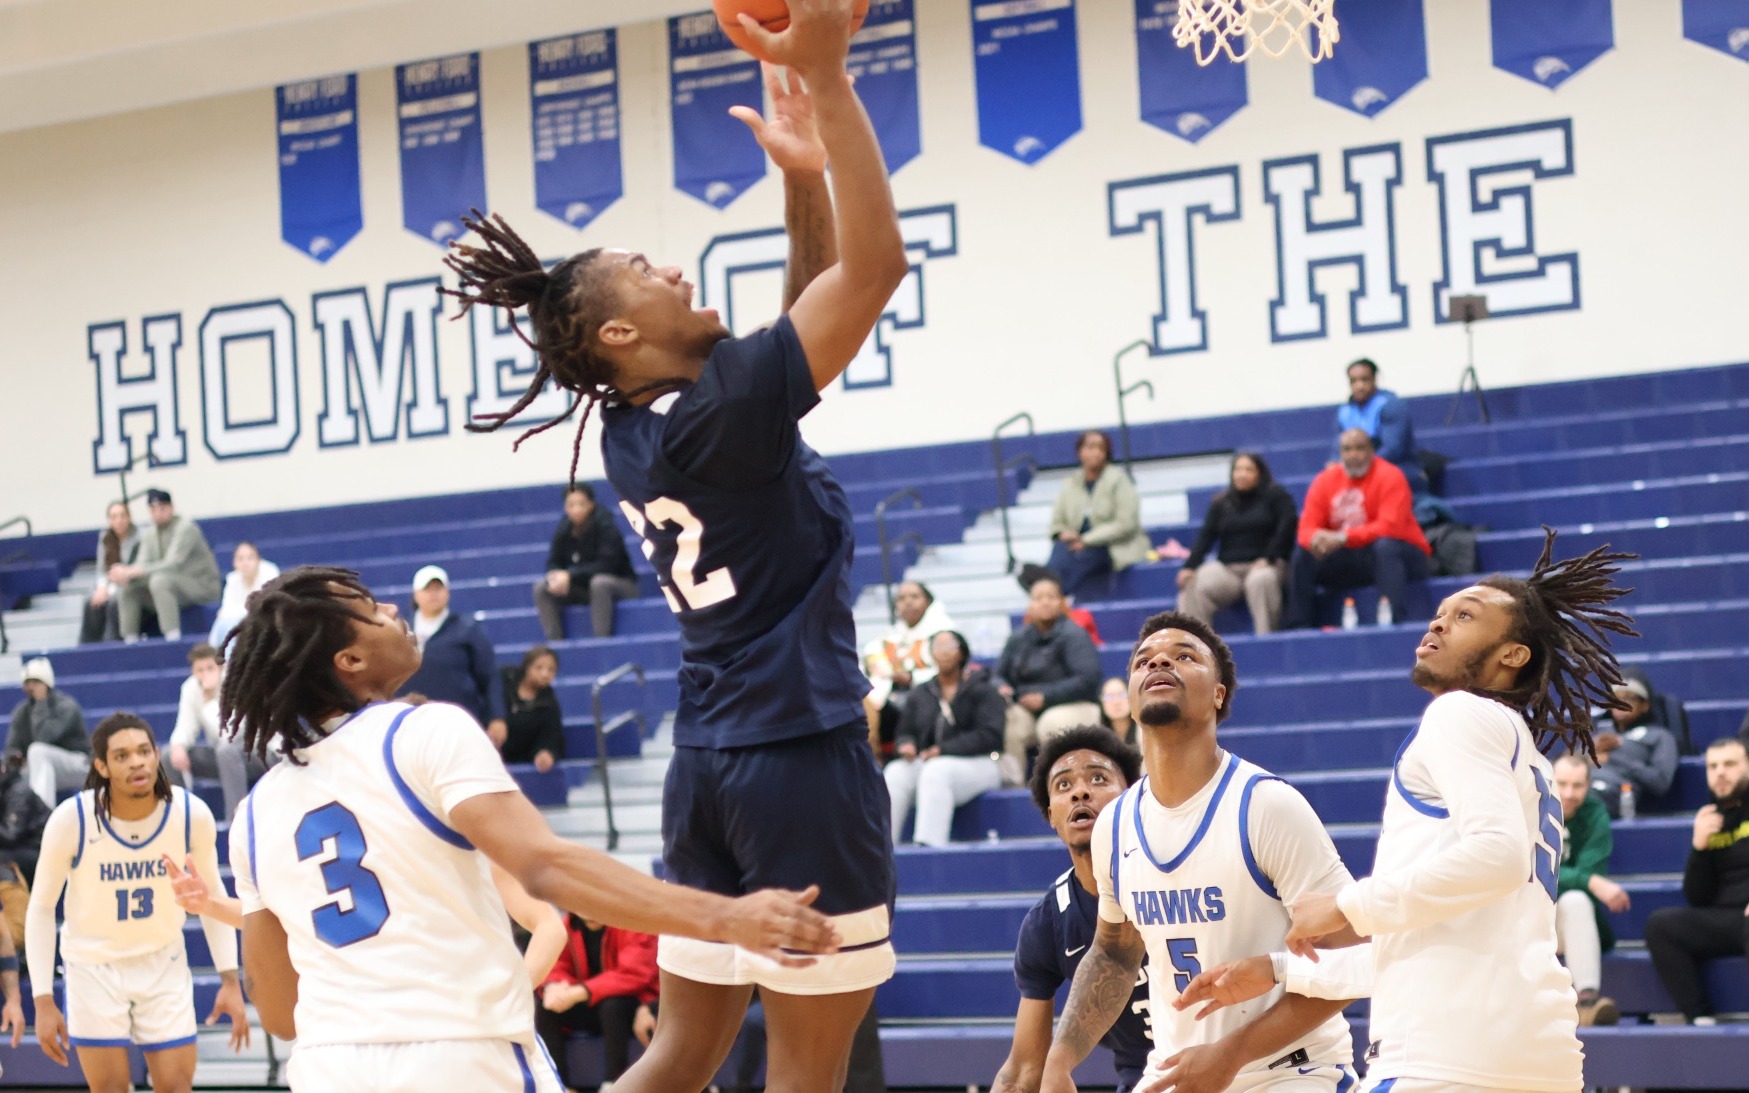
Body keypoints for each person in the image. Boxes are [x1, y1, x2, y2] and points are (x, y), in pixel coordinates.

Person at [442, 8, 907, 1088]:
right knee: (807, 1075)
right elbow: (873, 270)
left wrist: (802, 181)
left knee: (679, 1056)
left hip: (706, 764)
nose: (677, 272)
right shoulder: (721, 413)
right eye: (647, 269)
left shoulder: (637, 426)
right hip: (799, 756)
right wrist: (829, 81)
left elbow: (799, 330)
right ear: (617, 332)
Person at [216, 567, 839, 1092]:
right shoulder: (421, 731)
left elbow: (280, 1012)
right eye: (371, 609)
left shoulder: (253, 815)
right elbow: (546, 868)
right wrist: (727, 917)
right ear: (349, 660)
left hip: (327, 1070)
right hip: (461, 1058)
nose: (392, 609)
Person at [1282, 531, 1638, 1091]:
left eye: (1465, 616)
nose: (1439, 623)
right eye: (1441, 613)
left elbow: (1497, 856)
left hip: (1445, 1055)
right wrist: (1278, 971)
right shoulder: (1529, 757)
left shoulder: (1460, 715)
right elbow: (1442, 935)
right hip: (1534, 1048)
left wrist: (1344, 904)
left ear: (1512, 655)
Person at [1039, 612, 1358, 1093]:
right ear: (1130, 699)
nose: (1159, 662)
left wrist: (1232, 1054)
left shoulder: (1265, 805)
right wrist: (1060, 1059)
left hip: (1290, 1071)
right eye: (1143, 660)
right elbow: (1114, 953)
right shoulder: (1115, 824)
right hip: (1177, 1071)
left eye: (1184, 656)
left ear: (1218, 694)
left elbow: (1351, 960)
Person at [25, 713, 248, 1092]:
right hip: (93, 967)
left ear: (157, 755)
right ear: (102, 766)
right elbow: (42, 908)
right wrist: (43, 999)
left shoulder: (190, 814)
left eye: (144, 751)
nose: (137, 762)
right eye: (122, 756)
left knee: (176, 1086)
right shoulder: (72, 820)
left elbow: (213, 897)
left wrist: (230, 978)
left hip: (163, 961)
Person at [993, 725, 1148, 1093]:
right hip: (1147, 1077)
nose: (1080, 791)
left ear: (1132, 796)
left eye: (1098, 778)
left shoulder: (1179, 869)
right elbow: (1023, 1071)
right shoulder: (1047, 923)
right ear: (1052, 816)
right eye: (1063, 785)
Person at [1643, 737, 1749, 1026]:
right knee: (1661, 926)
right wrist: (1699, 847)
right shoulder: (1710, 819)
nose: (1720, 772)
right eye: (1713, 766)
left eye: (1729, 764)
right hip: (1727, 919)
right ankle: (1701, 1019)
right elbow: (1698, 898)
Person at [1284, 429, 1431, 630]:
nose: (1353, 455)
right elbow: (1305, 530)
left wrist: (1343, 537)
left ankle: (1393, 620)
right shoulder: (1324, 480)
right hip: (1352, 557)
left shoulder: (1390, 475)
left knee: (1385, 547)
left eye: (1359, 448)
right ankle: (1299, 627)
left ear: (1372, 450)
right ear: (1340, 453)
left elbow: (1390, 526)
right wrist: (1316, 539)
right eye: (1347, 449)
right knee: (1304, 553)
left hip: (1402, 556)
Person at [885, 631, 1003, 847]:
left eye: (950, 646)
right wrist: (905, 744)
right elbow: (904, 731)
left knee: (936, 771)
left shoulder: (983, 689)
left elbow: (991, 736)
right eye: (938, 647)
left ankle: (928, 848)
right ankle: (883, 849)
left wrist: (943, 749)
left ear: (962, 652)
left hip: (982, 763)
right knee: (896, 772)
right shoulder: (921, 692)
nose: (944, 652)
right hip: (930, 761)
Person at [995, 574, 1102, 787]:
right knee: (1008, 721)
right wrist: (1001, 687)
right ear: (1030, 604)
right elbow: (997, 675)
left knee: (1051, 723)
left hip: (1074, 704)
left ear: (1061, 602)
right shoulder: (1018, 638)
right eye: (1038, 598)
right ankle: (1013, 788)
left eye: (1051, 597)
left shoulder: (1075, 635)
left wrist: (1045, 697)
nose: (1045, 602)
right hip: (1027, 706)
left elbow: (1088, 679)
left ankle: (1060, 787)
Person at [1176, 451, 1297, 635]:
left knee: (1260, 581)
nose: (1242, 474)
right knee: (1193, 584)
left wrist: (1268, 557)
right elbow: (1206, 537)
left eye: (1249, 470)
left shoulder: (1276, 496)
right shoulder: (1221, 502)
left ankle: (1267, 640)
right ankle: (1196, 644)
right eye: (1238, 469)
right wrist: (1189, 566)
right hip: (1229, 569)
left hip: (1265, 564)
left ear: (1260, 474)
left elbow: (1286, 528)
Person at [536, 914, 658, 1090]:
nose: (588, 912)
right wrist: (553, 987)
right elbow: (557, 965)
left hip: (634, 1004)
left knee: (613, 1006)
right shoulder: (568, 926)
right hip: (591, 1004)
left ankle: (613, 1084)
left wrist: (582, 991)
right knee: (545, 1007)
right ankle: (558, 1085)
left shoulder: (633, 922)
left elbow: (634, 974)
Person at [1550, 753, 1624, 1026]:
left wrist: (1586, 881)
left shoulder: (1595, 813)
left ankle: (1588, 1003)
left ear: (1589, 785)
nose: (1569, 793)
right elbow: (1531, 870)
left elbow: (1585, 874)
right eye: (1562, 784)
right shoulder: (1532, 809)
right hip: (1530, 916)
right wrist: (1590, 881)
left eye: (1577, 785)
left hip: (1568, 920)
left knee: (1576, 900)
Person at [399, 565, 509, 745]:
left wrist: (497, 717)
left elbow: (489, 675)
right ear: (416, 595)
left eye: (438, 588)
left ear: (448, 592)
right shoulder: (399, 629)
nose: (433, 594)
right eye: (427, 589)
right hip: (408, 724)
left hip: (458, 724)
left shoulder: (467, 629)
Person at [1046, 431, 1151, 599]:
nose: (1095, 452)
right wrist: (1062, 533)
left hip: (1110, 546)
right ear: (1079, 452)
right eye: (1090, 447)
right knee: (1061, 548)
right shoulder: (1070, 483)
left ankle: (1048, 589)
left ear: (1107, 453)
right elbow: (1056, 523)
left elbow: (1126, 524)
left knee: (1081, 558)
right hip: (1076, 544)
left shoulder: (1120, 480)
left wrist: (1086, 540)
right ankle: (1048, 587)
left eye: (1101, 448)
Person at [167, 643, 262, 822]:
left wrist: (210, 698)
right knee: (168, 756)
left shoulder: (237, 682)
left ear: (221, 667)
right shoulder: (190, 688)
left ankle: (237, 820)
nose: (205, 675)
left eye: (210, 668)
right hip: (224, 756)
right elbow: (185, 726)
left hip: (257, 753)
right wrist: (178, 746)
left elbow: (230, 734)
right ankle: (181, 820)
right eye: (199, 670)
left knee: (226, 751)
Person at [112, 489, 222, 643]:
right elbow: (142, 563)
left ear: (171, 508)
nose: (158, 513)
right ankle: (130, 641)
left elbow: (173, 563)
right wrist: (126, 574)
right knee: (129, 587)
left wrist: (134, 571)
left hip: (200, 586)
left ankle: (172, 638)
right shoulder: (149, 533)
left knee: (160, 581)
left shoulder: (186, 529)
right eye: (153, 510)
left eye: (162, 508)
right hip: (170, 588)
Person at [534, 484, 640, 640]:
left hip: (621, 585)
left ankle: (601, 640)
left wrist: (570, 575)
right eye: (571, 505)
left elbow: (608, 565)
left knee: (599, 583)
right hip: (584, 588)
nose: (576, 509)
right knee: (542, 588)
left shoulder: (606, 525)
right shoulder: (564, 528)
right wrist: (555, 576)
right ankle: (555, 643)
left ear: (591, 504)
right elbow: (554, 561)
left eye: (581, 504)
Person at [861, 581, 954, 757]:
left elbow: (950, 672)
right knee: (862, 703)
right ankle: (872, 759)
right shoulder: (891, 634)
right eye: (901, 598)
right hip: (890, 700)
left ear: (928, 601)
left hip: (931, 696)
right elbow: (871, 658)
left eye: (914, 596)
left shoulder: (945, 632)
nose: (908, 602)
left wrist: (911, 678)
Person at [6, 658, 90, 809]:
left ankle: (42, 814)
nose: (31, 687)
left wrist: (41, 703)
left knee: (38, 751)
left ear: (46, 682)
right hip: (42, 768)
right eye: (28, 682)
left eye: (36, 682)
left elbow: (44, 737)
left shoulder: (66, 706)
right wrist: (15, 758)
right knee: (13, 772)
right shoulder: (21, 711)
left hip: (78, 765)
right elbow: (12, 747)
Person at [1591, 675, 1679, 816]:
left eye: (1628, 698)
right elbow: (1568, 763)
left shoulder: (1660, 736)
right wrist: (1589, 752)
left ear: (1645, 705)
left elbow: (1661, 782)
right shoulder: (1601, 734)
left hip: (1616, 793)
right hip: (1580, 787)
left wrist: (1614, 758)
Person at [1333, 359, 1423, 493]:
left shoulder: (1391, 405)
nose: (1359, 386)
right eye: (1354, 381)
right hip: (1358, 471)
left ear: (1375, 379)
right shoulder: (1345, 412)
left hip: (1397, 469)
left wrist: (1360, 464)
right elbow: (1337, 451)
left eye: (1364, 379)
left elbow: (1392, 450)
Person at [79, 501, 138, 645]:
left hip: (131, 585)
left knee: (114, 602)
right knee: (91, 602)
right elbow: (101, 570)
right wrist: (102, 588)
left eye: (123, 516)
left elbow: (135, 569)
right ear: (109, 520)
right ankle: (87, 647)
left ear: (129, 517)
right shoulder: (105, 538)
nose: (119, 520)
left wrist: (110, 591)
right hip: (111, 584)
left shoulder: (139, 538)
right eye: (114, 517)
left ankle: (112, 643)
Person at [501, 646, 565, 773]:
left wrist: (545, 753)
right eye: (539, 667)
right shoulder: (504, 679)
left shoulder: (550, 705)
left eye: (551, 670)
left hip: (520, 761)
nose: (545, 674)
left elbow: (550, 737)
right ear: (527, 667)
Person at [207, 541, 280, 648]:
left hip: (267, 621)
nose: (245, 563)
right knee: (224, 622)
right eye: (240, 559)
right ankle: (217, 652)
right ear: (234, 563)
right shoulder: (232, 579)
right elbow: (225, 610)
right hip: (239, 622)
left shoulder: (270, 573)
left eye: (250, 558)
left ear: (258, 560)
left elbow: (267, 606)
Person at [1098, 678, 1135, 744]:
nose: (1116, 702)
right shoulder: (1096, 737)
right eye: (1109, 697)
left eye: (1121, 695)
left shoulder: (1144, 731)